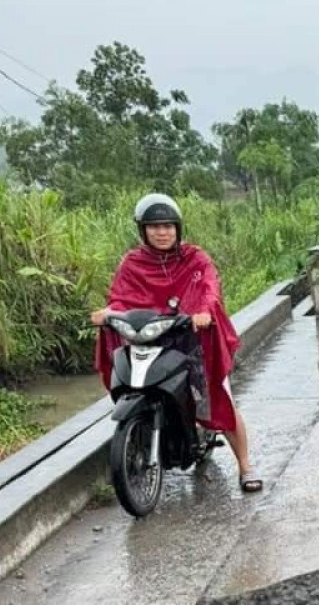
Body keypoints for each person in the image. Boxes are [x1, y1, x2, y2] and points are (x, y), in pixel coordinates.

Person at [92, 193, 261, 491]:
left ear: (177, 228)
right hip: (151, 339)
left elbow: (210, 288)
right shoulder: (133, 262)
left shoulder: (195, 258)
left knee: (220, 397)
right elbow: (120, 296)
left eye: (168, 226)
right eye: (154, 226)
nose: (162, 232)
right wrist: (109, 312)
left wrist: (204, 312)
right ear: (143, 230)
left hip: (194, 340)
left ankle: (246, 466)